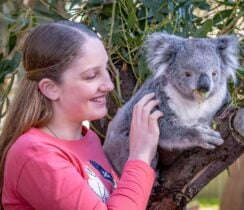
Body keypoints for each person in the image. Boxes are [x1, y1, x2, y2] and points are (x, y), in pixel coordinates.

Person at [0, 20, 163, 210]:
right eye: (91, 76)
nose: (109, 85)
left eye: (106, 70)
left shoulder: (89, 138)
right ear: (50, 88)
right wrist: (140, 156)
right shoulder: (34, 154)